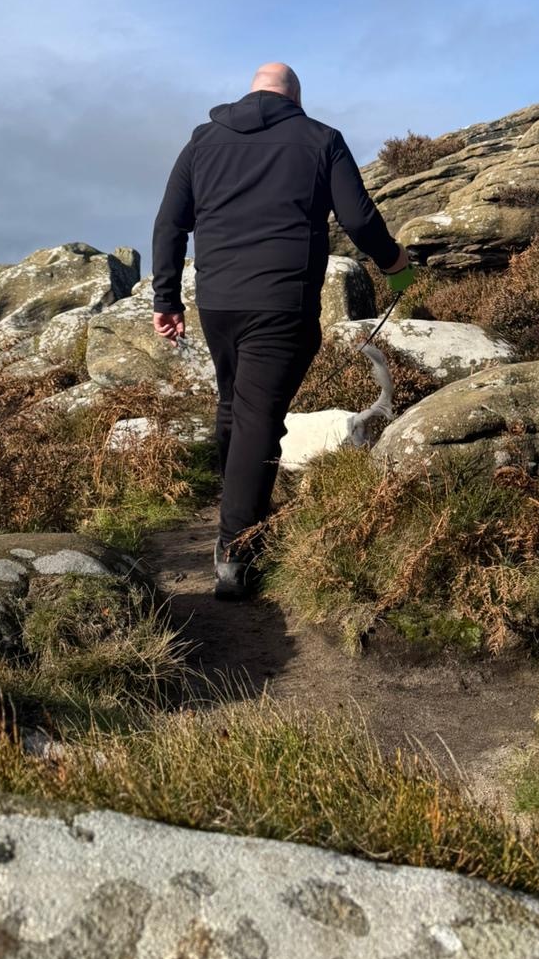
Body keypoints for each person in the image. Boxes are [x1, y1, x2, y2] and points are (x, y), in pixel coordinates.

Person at [151, 62, 414, 600]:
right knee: (257, 417)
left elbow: (170, 223)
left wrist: (166, 299)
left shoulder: (203, 140)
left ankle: (237, 506)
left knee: (236, 405)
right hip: (281, 302)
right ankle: (236, 550)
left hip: (218, 302)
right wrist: (395, 265)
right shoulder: (320, 139)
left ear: (251, 93)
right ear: (295, 98)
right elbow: (359, 220)